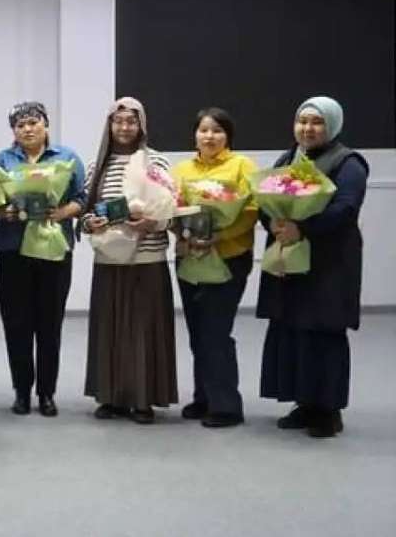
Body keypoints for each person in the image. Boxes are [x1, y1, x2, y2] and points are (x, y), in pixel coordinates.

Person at [258, 96, 368, 438]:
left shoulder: (349, 163)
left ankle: (328, 411)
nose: (307, 128)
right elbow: (265, 200)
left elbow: (345, 208)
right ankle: (304, 403)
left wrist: (302, 228)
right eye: (302, 121)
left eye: (317, 122)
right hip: (291, 260)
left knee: (324, 331)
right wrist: (273, 222)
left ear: (332, 125)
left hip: (329, 264)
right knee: (293, 328)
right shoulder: (288, 158)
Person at [80, 97, 177, 424]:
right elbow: (85, 214)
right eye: (118, 121)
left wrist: (152, 222)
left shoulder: (156, 161)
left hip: (147, 258)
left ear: (141, 125)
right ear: (109, 125)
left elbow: (170, 210)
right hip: (109, 259)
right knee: (110, 330)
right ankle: (112, 397)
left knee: (143, 330)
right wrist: (91, 223)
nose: (124, 127)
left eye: (131, 121)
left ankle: (143, 399)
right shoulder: (97, 166)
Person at [0, 102, 86, 417]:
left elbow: (83, 198)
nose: (27, 129)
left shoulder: (67, 157)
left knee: (50, 323)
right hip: (13, 249)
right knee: (16, 324)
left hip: (54, 249)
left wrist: (63, 212)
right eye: (20, 125)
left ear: (45, 125)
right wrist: (4, 211)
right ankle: (21, 391)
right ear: (13, 131)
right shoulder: (3, 160)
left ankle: (47, 392)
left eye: (33, 122)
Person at [170, 108, 258, 428]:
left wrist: (219, 235)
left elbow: (250, 211)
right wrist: (180, 233)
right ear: (195, 135)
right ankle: (204, 397)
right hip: (190, 256)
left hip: (229, 257)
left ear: (228, 136)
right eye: (204, 130)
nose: (210, 136)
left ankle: (227, 406)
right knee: (198, 332)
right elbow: (171, 207)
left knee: (216, 332)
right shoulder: (182, 169)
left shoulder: (242, 166)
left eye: (217, 130)